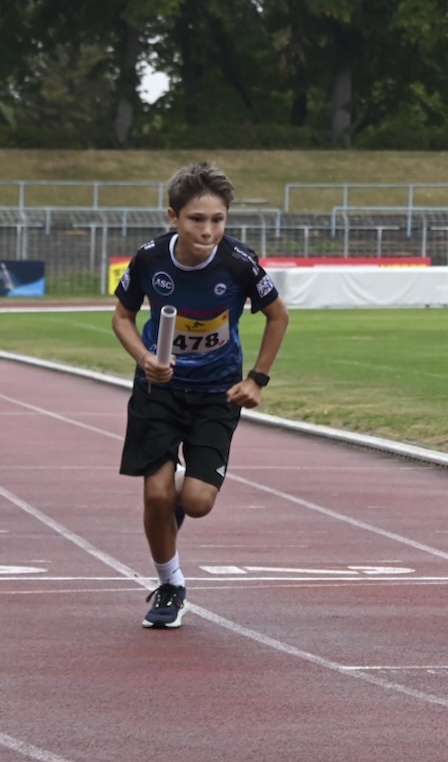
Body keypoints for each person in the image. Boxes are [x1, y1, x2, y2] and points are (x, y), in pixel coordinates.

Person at [112, 161, 289, 629]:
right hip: (159, 390)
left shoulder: (239, 263)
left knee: (196, 502)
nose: (208, 230)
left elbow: (278, 317)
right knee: (155, 495)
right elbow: (122, 317)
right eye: (196, 219)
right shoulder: (150, 258)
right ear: (173, 217)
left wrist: (257, 379)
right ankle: (170, 585)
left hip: (217, 393)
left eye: (217, 219)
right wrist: (144, 358)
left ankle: (177, 492)